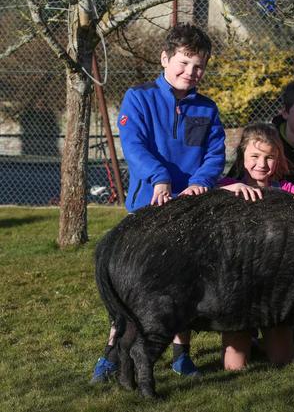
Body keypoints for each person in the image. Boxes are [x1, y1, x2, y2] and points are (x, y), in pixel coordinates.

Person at [91, 22, 225, 383]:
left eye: (198, 66)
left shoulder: (207, 108)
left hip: (191, 208)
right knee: (135, 287)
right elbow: (134, 145)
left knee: (183, 285)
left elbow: (214, 155)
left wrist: (199, 184)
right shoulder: (139, 97)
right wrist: (159, 177)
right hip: (148, 206)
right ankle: (112, 353)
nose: (189, 72)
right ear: (165, 59)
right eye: (183, 63)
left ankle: (182, 354)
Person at [219, 122, 294, 370]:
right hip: (237, 286)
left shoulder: (284, 190)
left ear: (279, 159)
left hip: (275, 287)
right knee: (234, 367)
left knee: (284, 360)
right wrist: (227, 190)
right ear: (242, 155)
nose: (261, 164)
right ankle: (244, 337)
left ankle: (266, 340)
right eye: (254, 156)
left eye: (270, 157)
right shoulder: (226, 186)